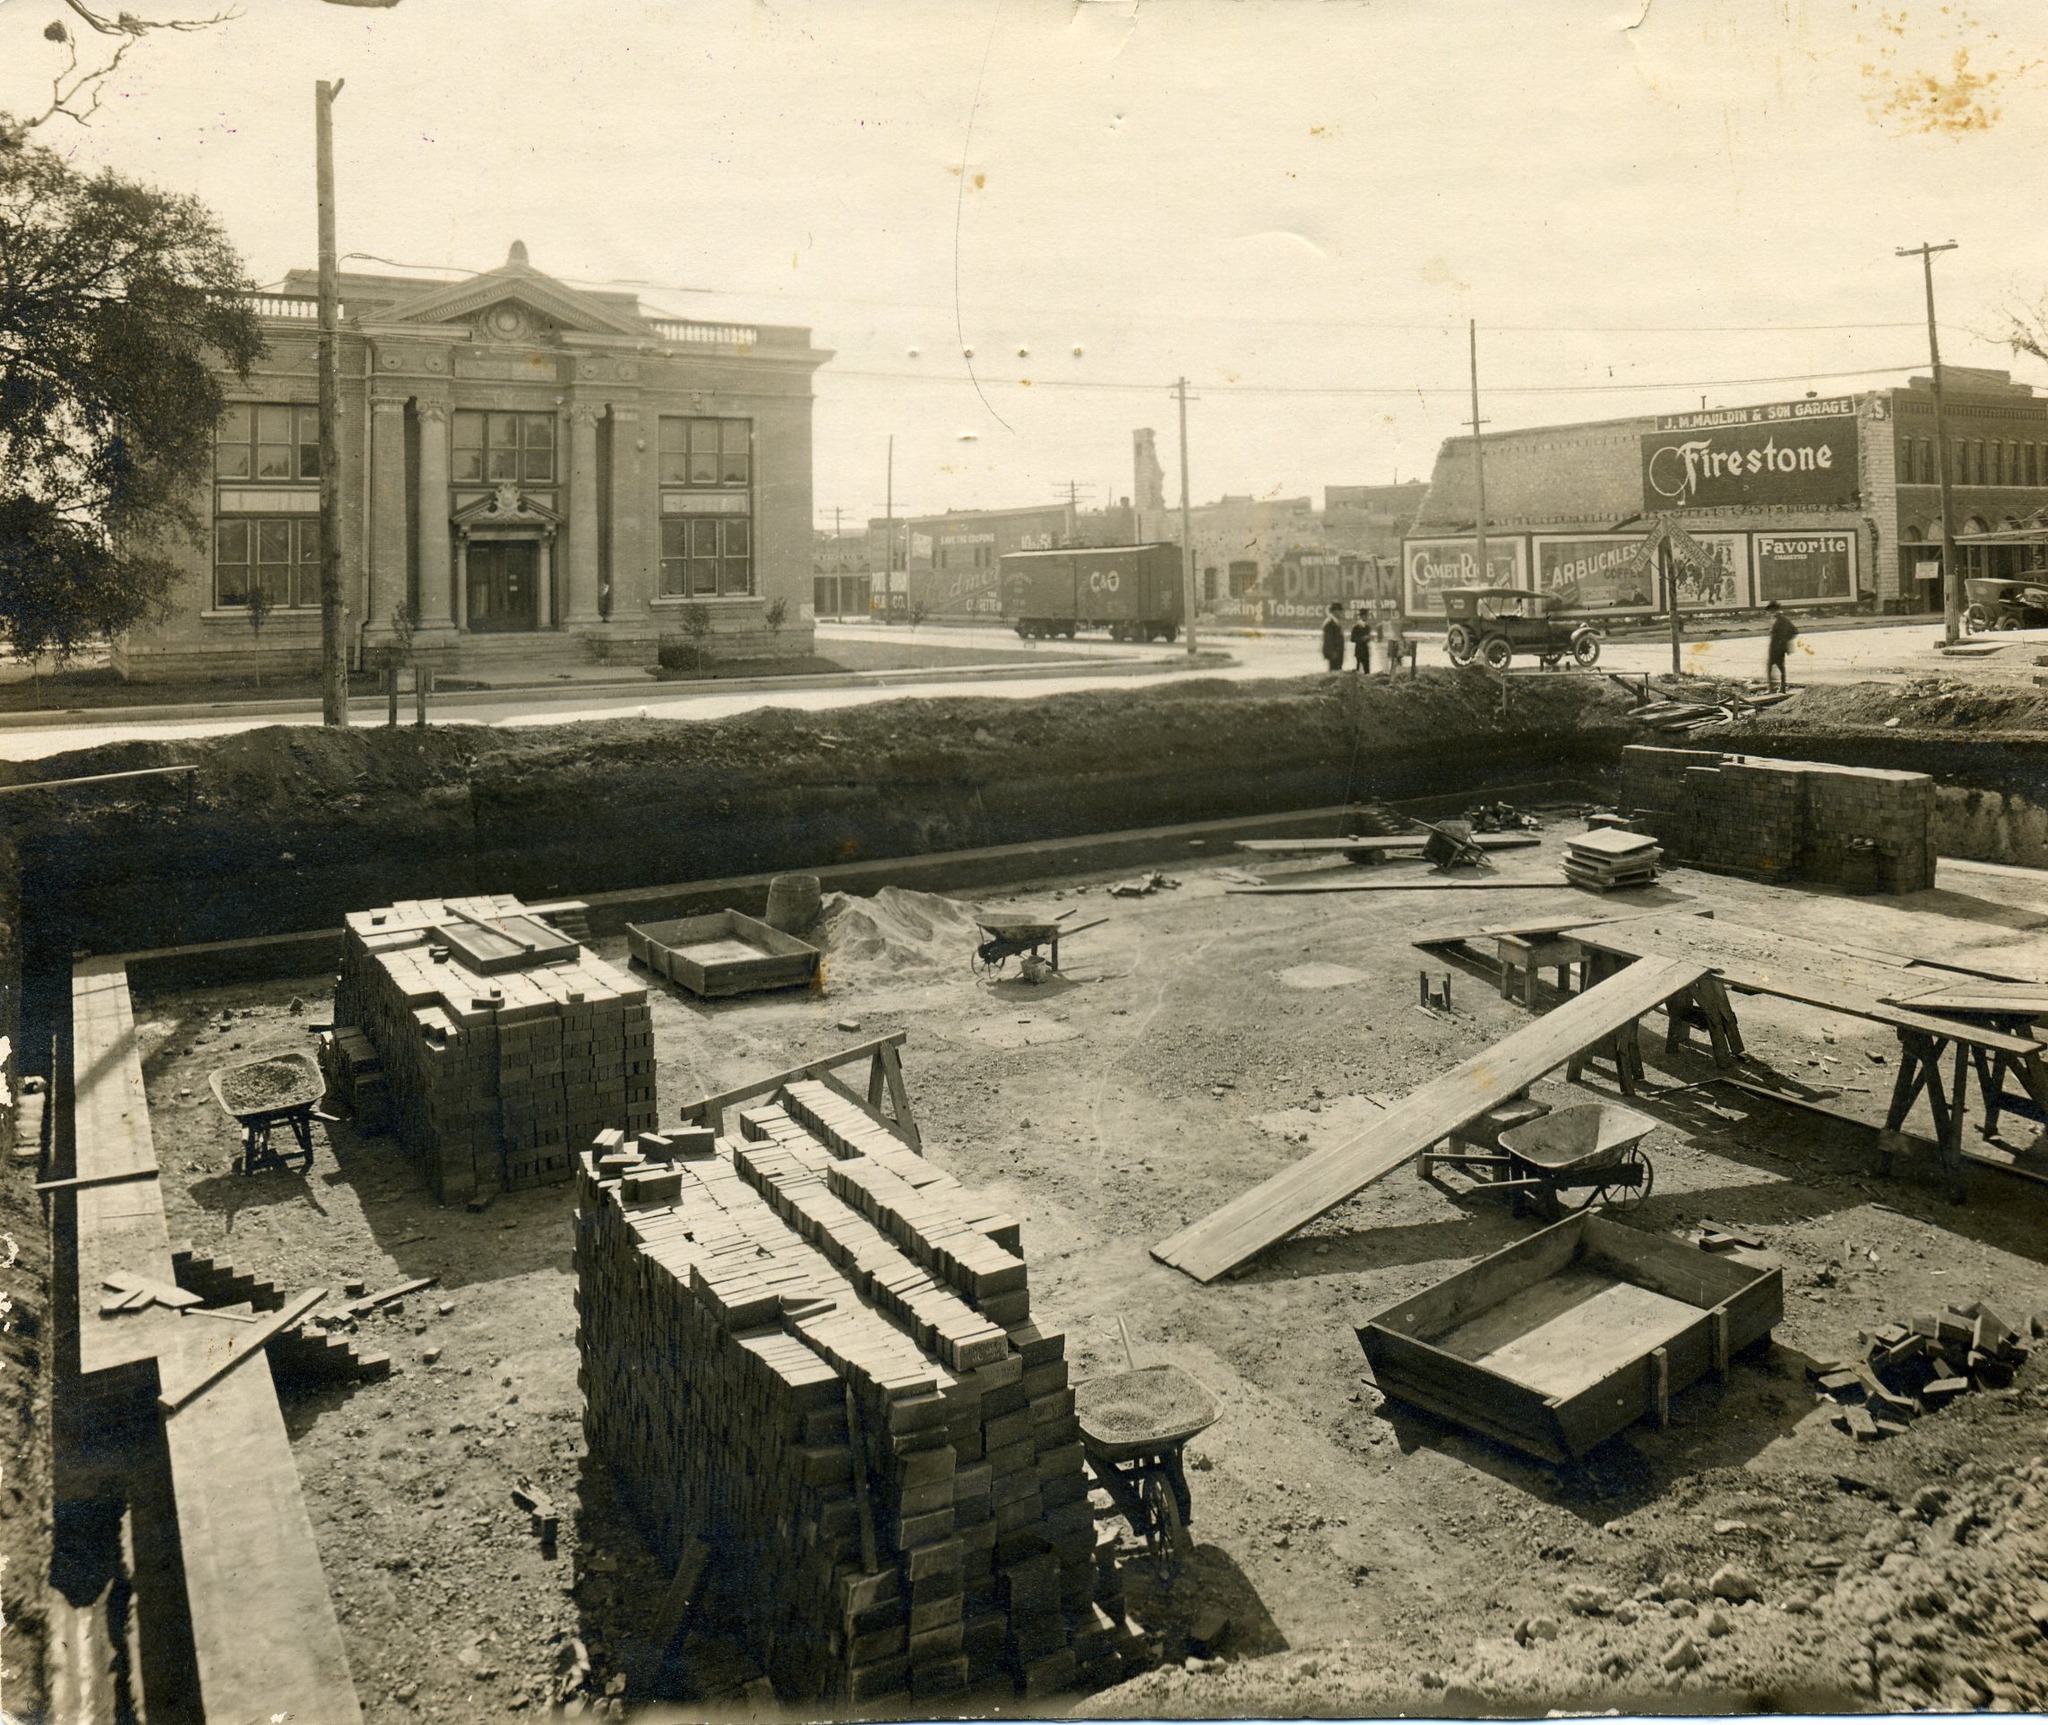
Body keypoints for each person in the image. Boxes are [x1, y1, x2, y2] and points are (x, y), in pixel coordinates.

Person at [1764, 600, 1798, 691]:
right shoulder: (1781, 619)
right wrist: (1784, 641)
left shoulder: (1780, 619)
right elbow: (1794, 631)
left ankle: (1772, 688)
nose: (1769, 612)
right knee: (1780, 667)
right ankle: (1782, 687)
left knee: (1770, 666)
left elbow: (1794, 631)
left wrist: (1781, 640)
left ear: (1774, 609)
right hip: (1779, 647)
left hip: (1776, 648)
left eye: (1770, 610)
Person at [1320, 601, 1345, 672]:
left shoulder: (1335, 622)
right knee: (1334, 672)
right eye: (1340, 611)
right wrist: (1332, 652)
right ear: (1335, 611)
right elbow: (1328, 640)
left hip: (1337, 653)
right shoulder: (1329, 623)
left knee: (1336, 671)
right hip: (1334, 654)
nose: (1341, 613)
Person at [1351, 605, 1372, 672]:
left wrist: (1368, 638)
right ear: (1362, 616)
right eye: (1366, 615)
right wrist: (1362, 639)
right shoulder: (1356, 627)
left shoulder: (1367, 627)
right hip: (1359, 651)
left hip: (1365, 651)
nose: (1367, 617)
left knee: (1367, 670)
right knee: (1358, 669)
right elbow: (1352, 639)